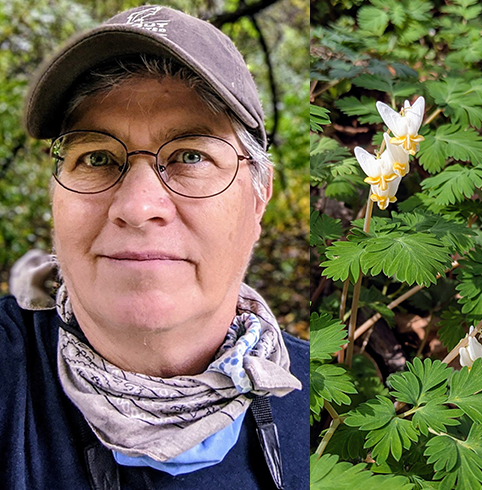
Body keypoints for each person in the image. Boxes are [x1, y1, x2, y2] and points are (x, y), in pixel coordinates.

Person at [0, 5, 309, 489]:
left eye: (191, 156)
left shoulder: (324, 406)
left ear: (257, 200)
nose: (139, 206)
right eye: (97, 157)